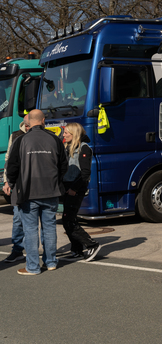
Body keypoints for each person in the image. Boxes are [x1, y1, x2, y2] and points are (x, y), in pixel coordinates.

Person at [5, 109, 67, 275]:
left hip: (28, 193)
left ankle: (33, 266)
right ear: (43, 120)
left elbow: (12, 168)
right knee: (49, 227)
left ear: (28, 122)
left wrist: (11, 183)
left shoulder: (21, 140)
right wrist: (56, 182)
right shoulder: (55, 139)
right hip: (51, 191)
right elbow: (64, 166)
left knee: (30, 230)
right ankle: (51, 262)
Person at [61, 123, 100, 261]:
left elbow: (85, 173)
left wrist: (74, 189)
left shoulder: (84, 149)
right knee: (67, 221)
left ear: (74, 134)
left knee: (69, 221)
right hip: (67, 188)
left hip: (75, 190)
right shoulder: (68, 147)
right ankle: (76, 250)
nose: (64, 135)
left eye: (66, 133)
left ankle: (92, 245)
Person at [2, 115, 29, 263]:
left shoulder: (43, 134)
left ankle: (48, 253)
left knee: (43, 221)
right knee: (18, 218)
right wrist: (6, 181)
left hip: (37, 185)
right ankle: (17, 249)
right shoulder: (16, 136)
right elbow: (9, 159)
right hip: (19, 185)